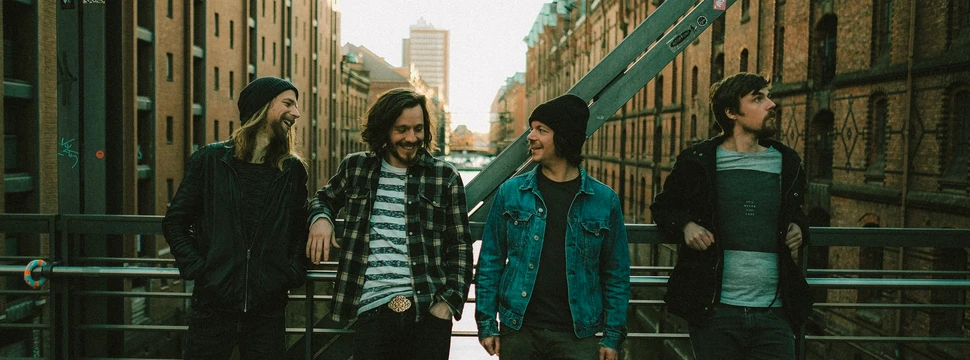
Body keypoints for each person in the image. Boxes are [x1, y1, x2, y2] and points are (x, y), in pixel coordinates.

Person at [650, 72, 813, 360]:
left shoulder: (786, 162)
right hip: (715, 312)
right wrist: (686, 226)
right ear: (731, 112)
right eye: (758, 99)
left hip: (775, 314)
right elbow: (663, 207)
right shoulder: (698, 161)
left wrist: (800, 225)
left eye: (768, 97)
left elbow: (796, 211)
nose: (771, 104)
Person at [305, 88, 473, 360]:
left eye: (418, 129)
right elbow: (322, 198)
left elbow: (461, 246)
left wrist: (447, 304)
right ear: (384, 130)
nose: (411, 138)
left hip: (428, 312)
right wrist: (321, 219)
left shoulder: (445, 176)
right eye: (401, 129)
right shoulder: (356, 168)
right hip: (373, 314)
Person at [475, 94, 631, 360]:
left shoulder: (604, 200)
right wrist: (487, 324)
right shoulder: (511, 192)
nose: (530, 136)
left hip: (577, 335)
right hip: (519, 330)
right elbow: (490, 261)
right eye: (532, 128)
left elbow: (616, 273)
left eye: (541, 130)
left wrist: (612, 337)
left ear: (564, 137)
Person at [162, 77, 308, 359]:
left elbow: (299, 230)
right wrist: (200, 270)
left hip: (268, 310)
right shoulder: (210, 161)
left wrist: (290, 272)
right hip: (212, 307)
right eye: (288, 103)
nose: (297, 113)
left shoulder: (292, 170)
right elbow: (175, 222)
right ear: (262, 108)